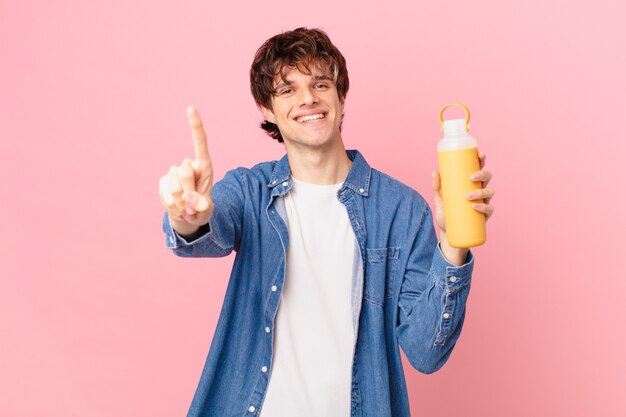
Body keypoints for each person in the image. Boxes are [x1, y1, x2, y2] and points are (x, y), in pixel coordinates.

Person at [159, 27, 494, 417]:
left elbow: (426, 352)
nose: (307, 99)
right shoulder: (249, 191)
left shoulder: (402, 210)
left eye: (320, 83)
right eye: (287, 90)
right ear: (267, 109)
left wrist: (454, 242)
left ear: (340, 95)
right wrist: (188, 218)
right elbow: (207, 231)